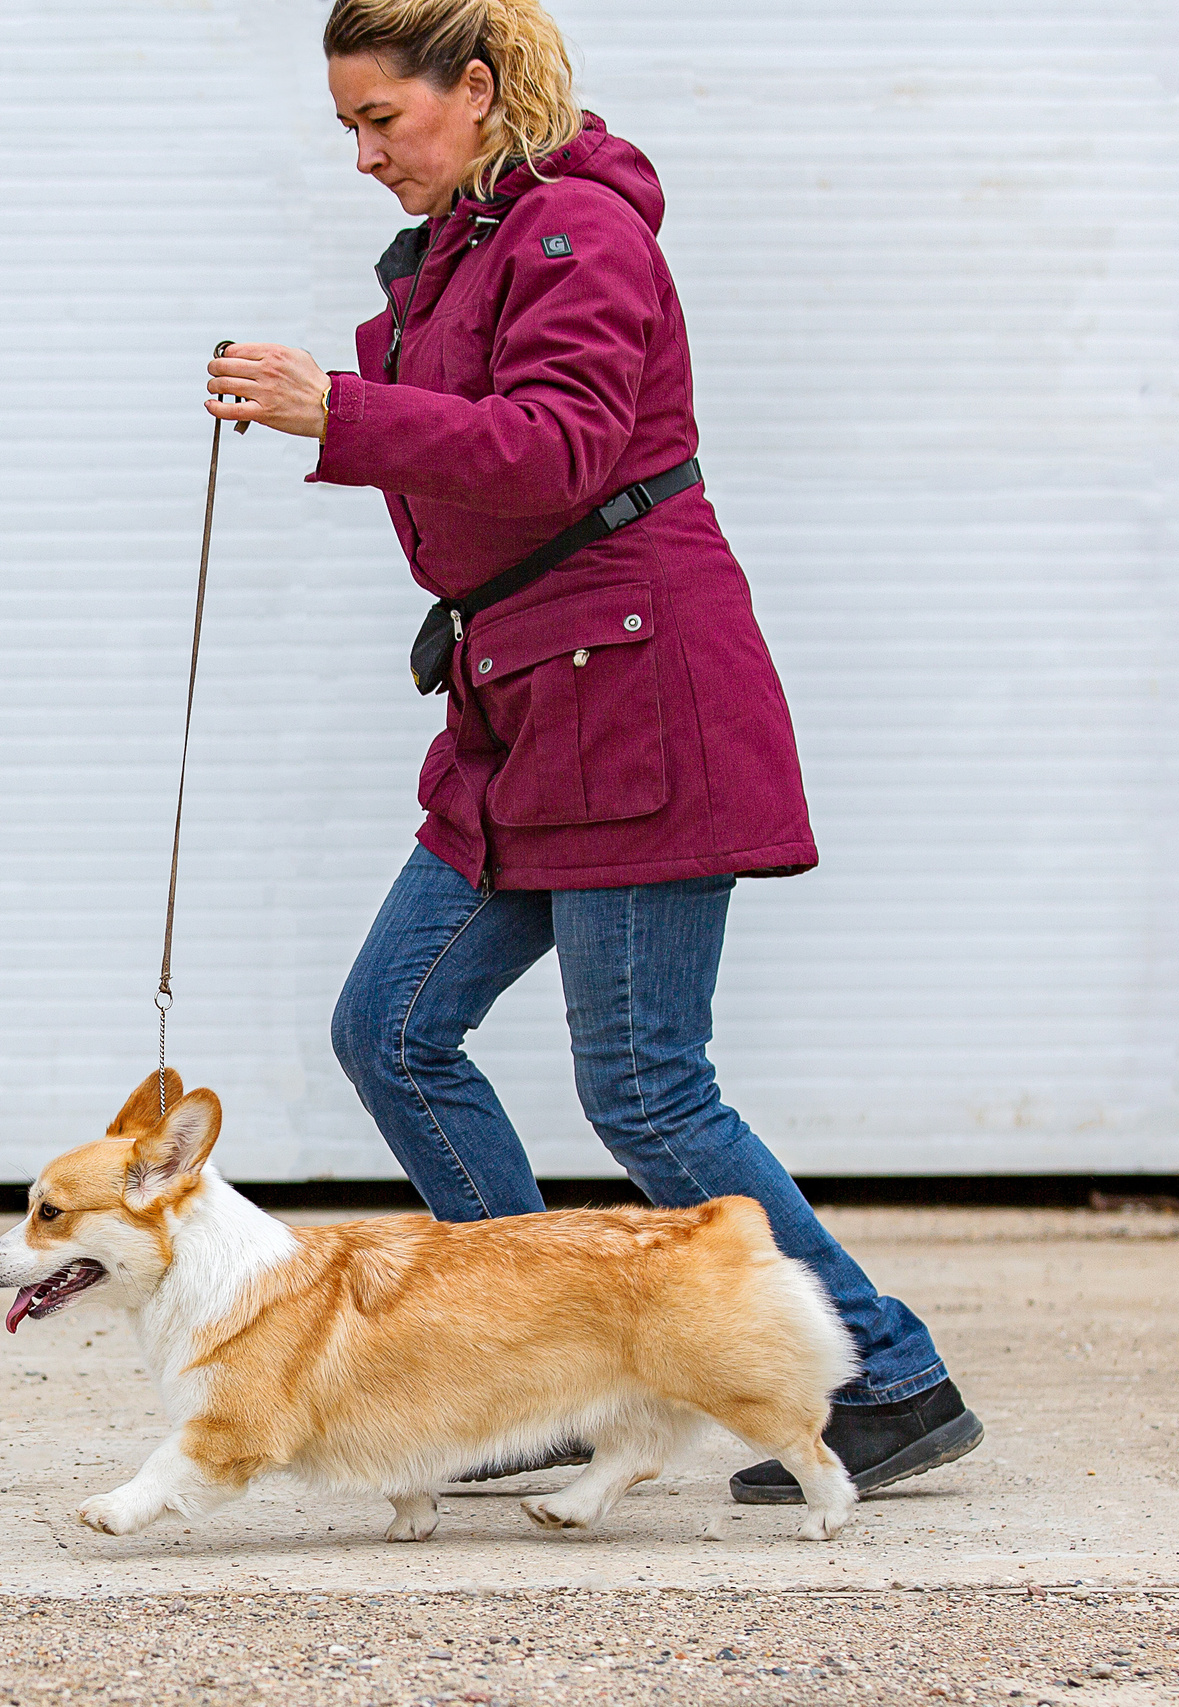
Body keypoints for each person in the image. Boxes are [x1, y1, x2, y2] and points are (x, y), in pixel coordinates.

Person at [202, 0, 981, 1503]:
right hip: (526, 707)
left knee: (646, 1087)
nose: (363, 156)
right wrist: (351, 403)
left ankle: (887, 1378)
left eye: (382, 120)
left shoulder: (580, 233)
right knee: (393, 1030)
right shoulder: (468, 249)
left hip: (635, 700)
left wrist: (337, 407)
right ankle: (545, 1378)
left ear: (476, 86)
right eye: (347, 127)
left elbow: (557, 449)